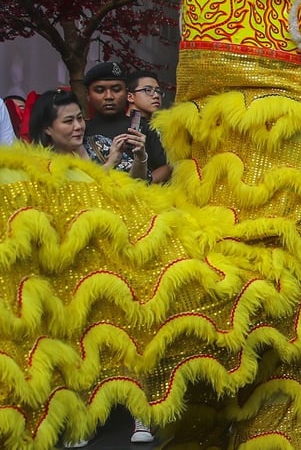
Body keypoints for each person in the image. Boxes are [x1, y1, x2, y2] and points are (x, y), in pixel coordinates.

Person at [27, 88, 154, 445]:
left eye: (80, 118)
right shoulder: (39, 165)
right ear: (48, 130)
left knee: (128, 333)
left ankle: (140, 412)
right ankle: (82, 418)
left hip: (112, 256)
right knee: (77, 344)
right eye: (68, 121)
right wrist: (109, 165)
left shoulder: (98, 149)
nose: (78, 126)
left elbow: (132, 191)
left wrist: (140, 158)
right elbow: (73, 204)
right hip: (69, 266)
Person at [84, 61, 169, 184]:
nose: (109, 96)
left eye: (116, 89)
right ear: (88, 95)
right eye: (100, 90)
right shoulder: (81, 130)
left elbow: (165, 166)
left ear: (127, 94)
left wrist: (144, 186)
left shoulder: (141, 126)